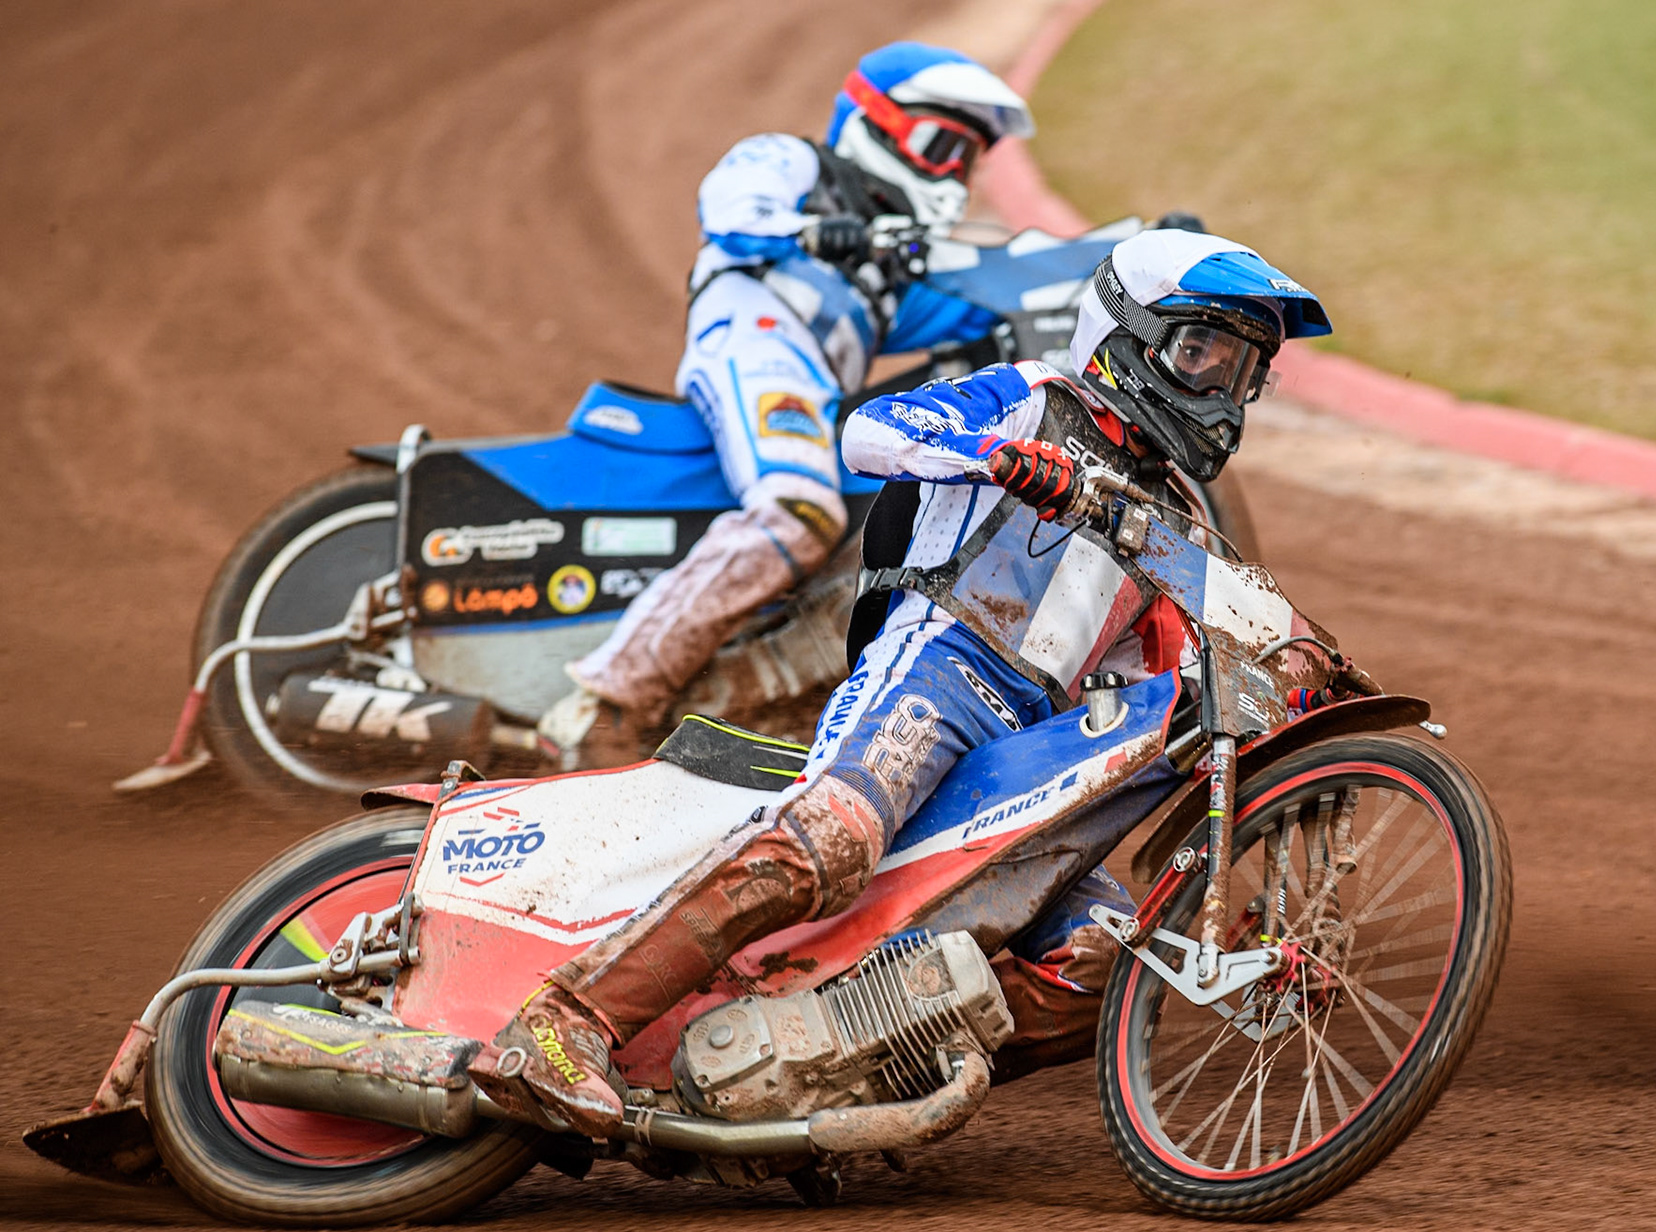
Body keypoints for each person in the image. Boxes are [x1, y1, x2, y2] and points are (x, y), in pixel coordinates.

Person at [472, 228, 1332, 1135]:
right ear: (1126, 338)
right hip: (940, 672)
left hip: (1036, 747)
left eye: (1241, 371)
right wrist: (997, 455)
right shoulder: (1037, 398)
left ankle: (838, 1070)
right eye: (1201, 352)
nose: (1222, 395)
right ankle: (561, 1022)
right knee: (830, 840)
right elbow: (871, 430)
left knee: (1106, 962)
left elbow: (1171, 668)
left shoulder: (1175, 518)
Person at [540, 42, 1035, 760]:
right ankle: (606, 697)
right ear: (880, 124)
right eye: (943, 148)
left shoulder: (885, 271)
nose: (954, 176)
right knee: (797, 509)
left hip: (810, 387)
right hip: (755, 338)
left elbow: (989, 305)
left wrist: (1127, 259)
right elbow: (730, 207)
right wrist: (807, 228)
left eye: (968, 160)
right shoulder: (795, 162)